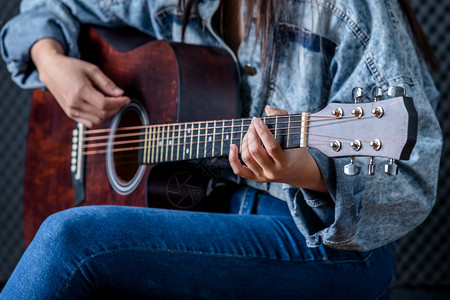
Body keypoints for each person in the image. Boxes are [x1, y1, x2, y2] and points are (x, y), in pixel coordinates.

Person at [0, 0, 442, 299]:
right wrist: (50, 60)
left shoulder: (346, 8)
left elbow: (408, 171)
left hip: (324, 243)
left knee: (70, 242)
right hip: (205, 210)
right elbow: (43, 7)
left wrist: (303, 169)